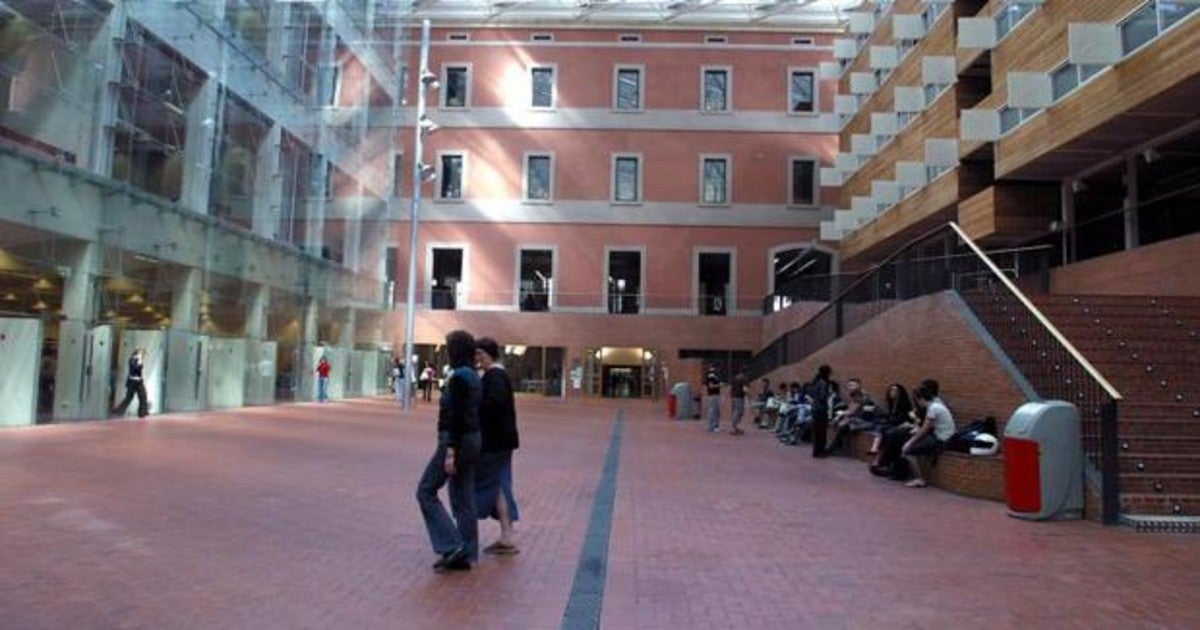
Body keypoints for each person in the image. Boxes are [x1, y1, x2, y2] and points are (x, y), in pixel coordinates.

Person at [416, 330, 482, 572]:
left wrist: (451, 451)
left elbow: (455, 417)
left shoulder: (459, 378)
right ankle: (466, 552)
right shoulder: (474, 376)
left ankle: (452, 545)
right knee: (464, 497)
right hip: (473, 439)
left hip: (456, 441)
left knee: (425, 490)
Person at [473, 337, 521, 555]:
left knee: (491, 484)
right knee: (501, 484)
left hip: (495, 442)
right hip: (503, 441)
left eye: (480, 355)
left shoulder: (494, 376)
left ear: (490, 355)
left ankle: (504, 533)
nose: (477, 359)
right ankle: (506, 535)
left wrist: (474, 403)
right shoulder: (497, 376)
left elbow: (493, 405)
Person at [901, 380, 956, 488]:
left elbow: (924, 430)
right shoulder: (935, 405)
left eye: (916, 400)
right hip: (942, 435)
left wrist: (909, 443)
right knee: (911, 443)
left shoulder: (933, 408)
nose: (916, 403)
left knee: (908, 451)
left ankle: (920, 479)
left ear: (920, 398)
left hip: (942, 439)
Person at [825, 378, 877, 454]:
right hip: (856, 419)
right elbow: (851, 410)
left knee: (843, 424)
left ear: (859, 386)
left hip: (865, 421)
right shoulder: (854, 395)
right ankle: (834, 444)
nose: (849, 387)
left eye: (852, 385)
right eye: (849, 385)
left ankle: (832, 447)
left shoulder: (862, 396)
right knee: (837, 422)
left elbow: (853, 411)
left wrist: (841, 415)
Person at [111, 348, 150, 418]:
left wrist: (140, 360)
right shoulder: (133, 359)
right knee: (129, 397)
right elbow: (134, 368)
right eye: (140, 353)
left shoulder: (139, 360)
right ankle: (119, 411)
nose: (141, 355)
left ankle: (143, 412)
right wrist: (138, 360)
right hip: (132, 381)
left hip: (139, 381)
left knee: (143, 396)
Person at [809, 365, 833, 458]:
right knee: (822, 432)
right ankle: (821, 451)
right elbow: (823, 397)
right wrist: (829, 395)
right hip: (821, 409)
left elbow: (811, 393)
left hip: (815, 408)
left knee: (817, 432)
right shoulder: (824, 383)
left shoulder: (815, 382)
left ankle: (815, 451)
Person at [704, 365, 722, 433]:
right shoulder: (711, 376)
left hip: (714, 395)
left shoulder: (713, 375)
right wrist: (719, 385)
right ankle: (713, 426)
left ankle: (714, 425)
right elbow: (711, 386)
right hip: (713, 395)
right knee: (714, 411)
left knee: (715, 410)